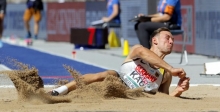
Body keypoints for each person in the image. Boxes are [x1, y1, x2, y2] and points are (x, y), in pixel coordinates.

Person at [50, 27, 190, 97]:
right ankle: (59, 91)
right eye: (167, 38)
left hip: (136, 97)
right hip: (118, 82)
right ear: (155, 40)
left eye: (173, 39)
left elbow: (162, 98)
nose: (171, 41)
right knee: (108, 74)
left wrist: (177, 91)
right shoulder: (138, 51)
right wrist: (171, 68)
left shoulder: (166, 75)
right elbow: (143, 52)